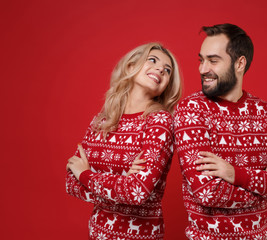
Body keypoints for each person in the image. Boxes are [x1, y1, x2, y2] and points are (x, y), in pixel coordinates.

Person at [174, 23, 267, 239]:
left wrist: (234, 174)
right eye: (201, 60)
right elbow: (208, 193)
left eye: (213, 60)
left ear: (240, 63)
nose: (202, 69)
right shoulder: (191, 110)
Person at [66, 42, 182, 240]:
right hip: (97, 233)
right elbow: (70, 184)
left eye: (167, 70)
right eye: (152, 60)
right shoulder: (101, 120)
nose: (160, 69)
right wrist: (123, 181)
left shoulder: (159, 122)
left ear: (166, 85)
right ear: (130, 66)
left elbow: (137, 193)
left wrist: (85, 174)